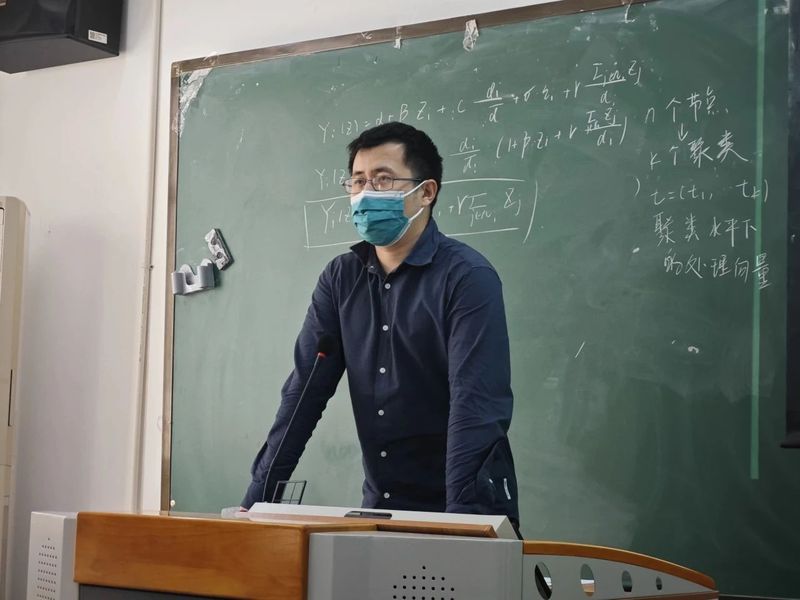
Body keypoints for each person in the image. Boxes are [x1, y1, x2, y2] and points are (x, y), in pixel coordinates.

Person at [241, 122, 519, 528]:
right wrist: (255, 504)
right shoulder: (340, 278)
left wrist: (460, 527)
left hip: (465, 507)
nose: (366, 193)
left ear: (426, 192)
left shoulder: (467, 278)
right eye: (358, 182)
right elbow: (304, 392)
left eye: (383, 180)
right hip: (380, 507)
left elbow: (475, 406)